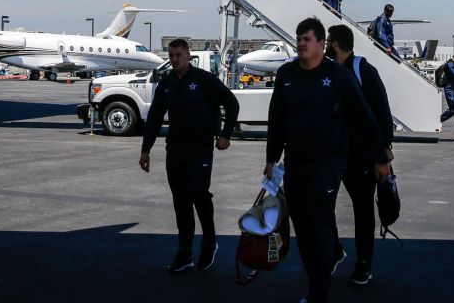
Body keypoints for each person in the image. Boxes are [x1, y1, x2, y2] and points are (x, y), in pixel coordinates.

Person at [264, 18, 391, 303]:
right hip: (296, 163)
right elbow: (276, 120)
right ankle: (319, 271)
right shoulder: (286, 74)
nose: (300, 44)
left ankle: (319, 290)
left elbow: (366, 116)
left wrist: (381, 156)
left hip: (329, 163)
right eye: (298, 38)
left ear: (323, 44)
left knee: (320, 223)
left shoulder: (338, 76)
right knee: (303, 226)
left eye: (306, 39)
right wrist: (272, 158)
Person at [139, 39, 240, 273]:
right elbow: (154, 118)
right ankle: (184, 254)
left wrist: (225, 134)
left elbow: (231, 103)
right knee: (181, 203)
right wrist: (146, 149)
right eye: (171, 56)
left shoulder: (204, 80)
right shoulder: (166, 84)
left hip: (200, 149)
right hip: (175, 150)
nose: (175, 60)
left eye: (178, 55)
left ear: (188, 56)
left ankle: (209, 242)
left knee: (199, 194)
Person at [326, 25, 393, 287]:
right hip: (333, 154)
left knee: (363, 210)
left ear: (335, 44)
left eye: (328, 41)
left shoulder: (363, 70)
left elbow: (382, 111)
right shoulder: (329, 72)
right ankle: (334, 250)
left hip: (361, 156)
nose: (325, 45)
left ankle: (364, 263)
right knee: (322, 205)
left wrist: (383, 152)